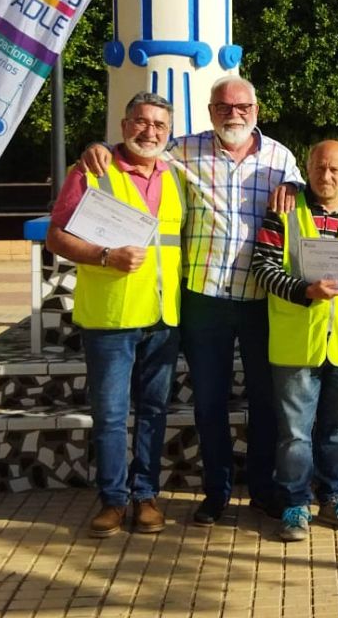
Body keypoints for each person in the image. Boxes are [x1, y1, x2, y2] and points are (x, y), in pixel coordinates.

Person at [80, 77, 303, 525]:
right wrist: (98, 146)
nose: (233, 114)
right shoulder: (181, 151)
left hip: (261, 299)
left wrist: (297, 188)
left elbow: (308, 189)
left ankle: (261, 488)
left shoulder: (281, 158)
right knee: (209, 402)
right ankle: (217, 492)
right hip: (204, 299)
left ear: (256, 109)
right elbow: (139, 144)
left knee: (265, 400)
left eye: (241, 106)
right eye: (223, 106)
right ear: (210, 110)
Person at [46, 92, 185, 538]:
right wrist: (105, 256)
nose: (150, 132)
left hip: (163, 317)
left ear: (169, 132)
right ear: (125, 125)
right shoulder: (92, 170)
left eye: (160, 126)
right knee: (109, 415)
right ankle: (112, 500)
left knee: (153, 411)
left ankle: (145, 495)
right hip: (110, 318)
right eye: (142, 122)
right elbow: (57, 237)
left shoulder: (177, 176)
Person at [251, 140, 338, 541]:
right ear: (307, 169)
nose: (325, 177)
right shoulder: (286, 211)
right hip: (297, 342)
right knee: (294, 432)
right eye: (318, 168)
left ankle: (335, 498)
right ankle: (295, 505)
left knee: (337, 430)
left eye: (334, 170)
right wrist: (303, 290)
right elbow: (263, 266)